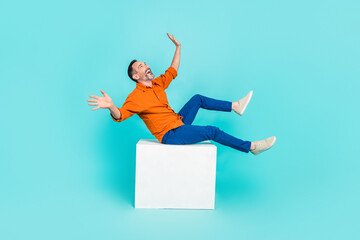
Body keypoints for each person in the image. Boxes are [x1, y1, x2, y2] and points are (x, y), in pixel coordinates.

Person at [87, 33, 276, 155]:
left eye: (145, 63)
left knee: (197, 98)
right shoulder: (135, 97)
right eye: (141, 66)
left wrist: (178, 47)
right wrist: (111, 106)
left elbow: (173, 70)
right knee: (213, 131)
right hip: (171, 135)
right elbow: (120, 115)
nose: (146, 66)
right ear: (136, 76)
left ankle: (235, 106)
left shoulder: (157, 83)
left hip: (178, 121)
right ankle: (252, 147)